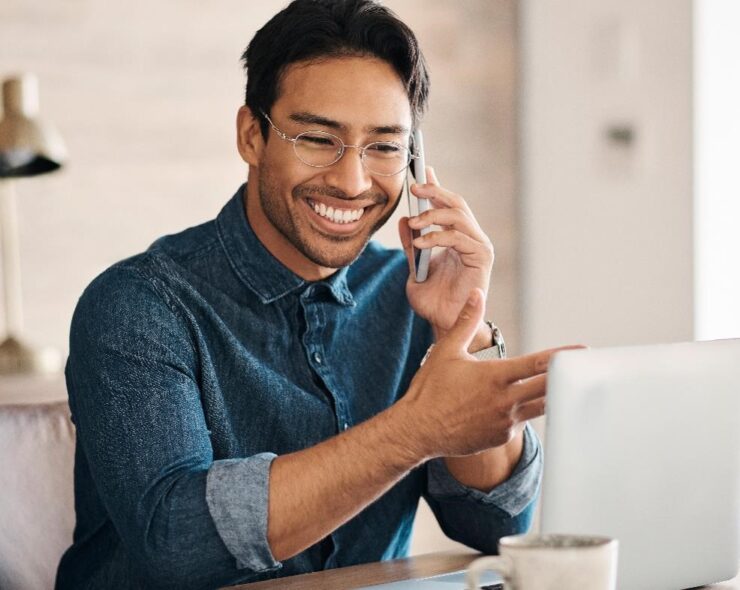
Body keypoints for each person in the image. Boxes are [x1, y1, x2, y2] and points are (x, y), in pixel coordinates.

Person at [56, 1, 569, 588]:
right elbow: (177, 541)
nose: (352, 182)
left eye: (383, 147)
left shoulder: (412, 295)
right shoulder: (138, 306)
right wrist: (414, 430)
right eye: (318, 138)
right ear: (252, 135)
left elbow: (496, 526)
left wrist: (461, 331)